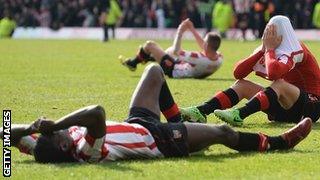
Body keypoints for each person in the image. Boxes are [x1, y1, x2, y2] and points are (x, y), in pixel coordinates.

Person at [0, 64, 312, 163]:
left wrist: (24, 135)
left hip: (139, 123)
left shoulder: (47, 146)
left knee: (153, 71)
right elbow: (96, 113)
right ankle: (277, 143)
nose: (59, 131)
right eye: (59, 134)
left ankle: (178, 119)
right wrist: (59, 122)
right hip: (160, 141)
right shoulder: (85, 150)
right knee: (222, 134)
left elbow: (9, 133)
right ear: (66, 145)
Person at [181, 15, 320, 126]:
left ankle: (239, 114)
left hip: (311, 106)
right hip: (287, 107)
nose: (270, 35)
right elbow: (238, 73)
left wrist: (270, 49)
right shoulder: (269, 48)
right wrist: (262, 51)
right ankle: (201, 111)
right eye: (268, 31)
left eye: (273, 32)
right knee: (242, 84)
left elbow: (274, 74)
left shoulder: (296, 49)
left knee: (279, 84)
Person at [120, 19, 223, 79]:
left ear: (206, 45)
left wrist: (180, 31)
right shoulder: (219, 59)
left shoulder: (198, 58)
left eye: (204, 41)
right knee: (167, 51)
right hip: (185, 67)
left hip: (173, 69)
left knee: (150, 45)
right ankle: (146, 58)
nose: (203, 43)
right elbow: (206, 47)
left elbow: (176, 51)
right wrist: (192, 29)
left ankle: (135, 62)